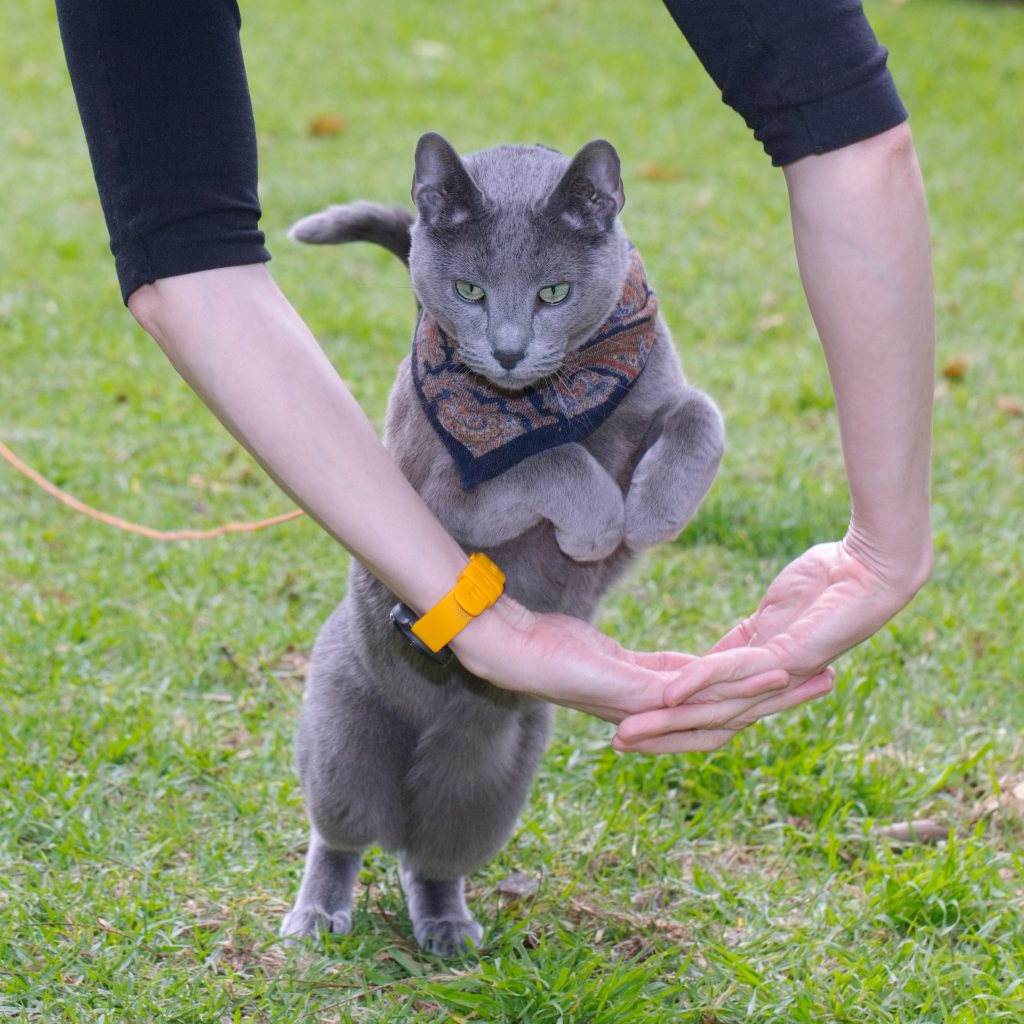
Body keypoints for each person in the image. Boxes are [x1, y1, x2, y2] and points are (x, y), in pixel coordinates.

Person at [53, 0, 933, 754]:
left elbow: (188, 264)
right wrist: (884, 548)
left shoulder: (620, 321)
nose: (508, 348)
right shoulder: (459, 347)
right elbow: (845, 129)